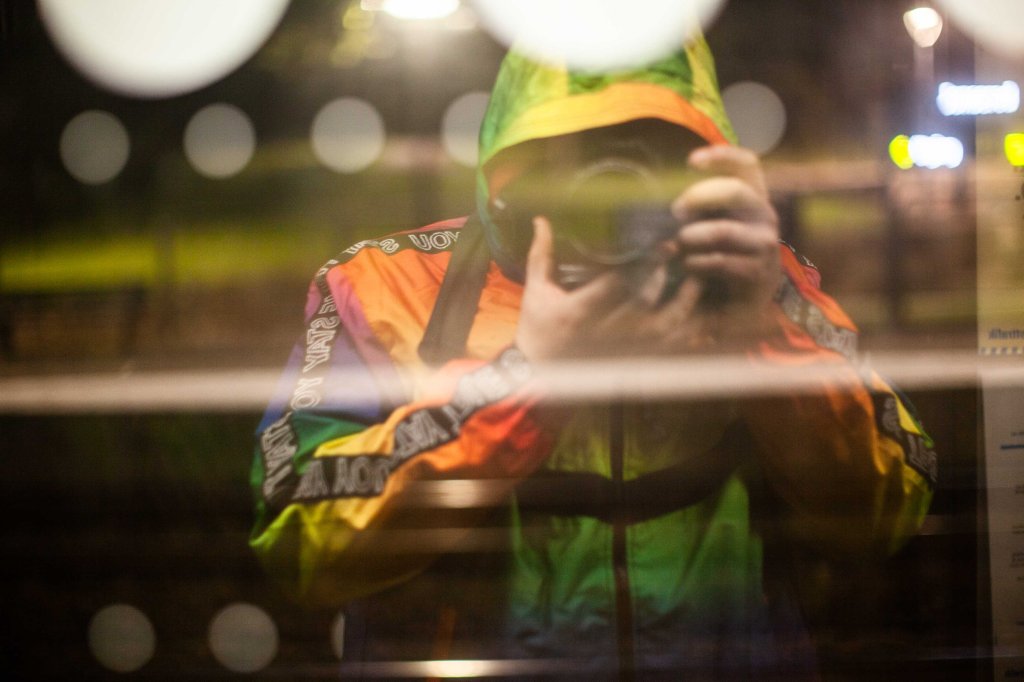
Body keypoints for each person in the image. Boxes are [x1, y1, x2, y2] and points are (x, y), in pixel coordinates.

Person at [250, 33, 936, 680]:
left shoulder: (753, 278)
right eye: (577, 159)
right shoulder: (382, 284)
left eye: (650, 158)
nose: (609, 194)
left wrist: (763, 328)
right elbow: (294, 535)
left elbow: (890, 508)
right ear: (513, 164)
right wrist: (527, 376)